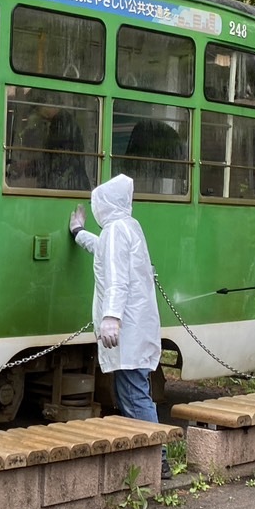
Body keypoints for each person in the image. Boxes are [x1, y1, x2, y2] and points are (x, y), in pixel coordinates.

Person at [69, 174, 167, 477]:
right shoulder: (126, 227)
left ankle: (155, 458)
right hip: (136, 328)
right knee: (132, 392)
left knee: (135, 395)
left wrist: (111, 317)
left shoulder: (115, 230)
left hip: (128, 330)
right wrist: (79, 233)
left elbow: (116, 278)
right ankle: (145, 456)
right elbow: (104, 252)